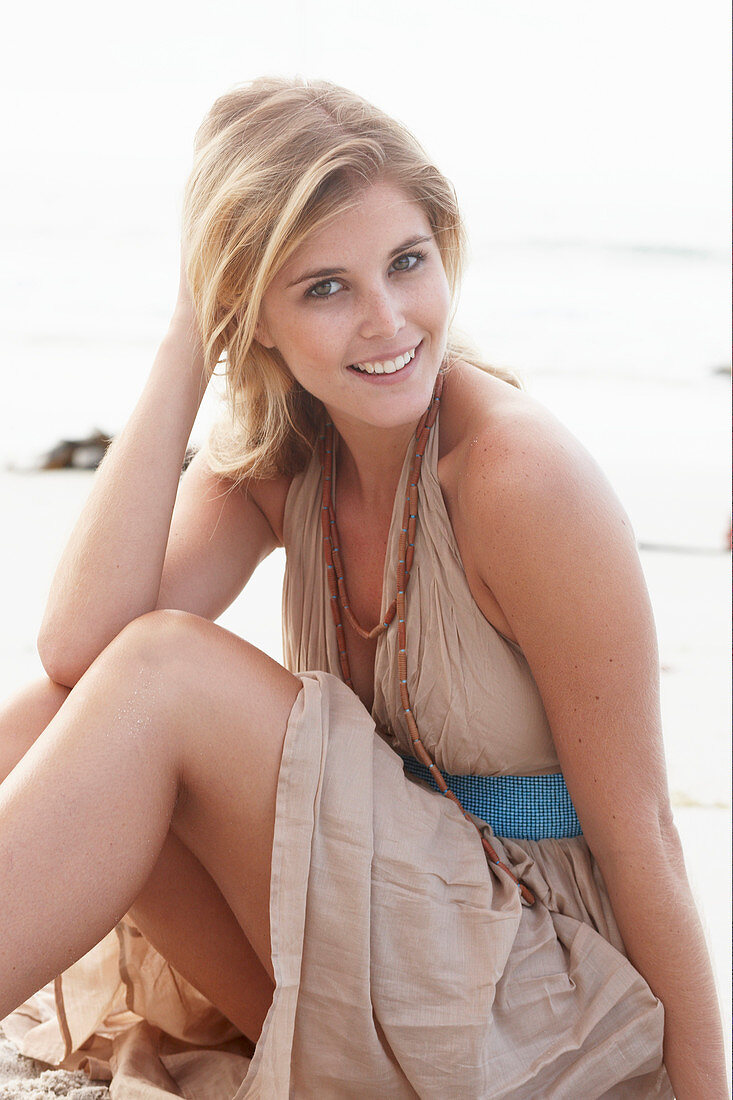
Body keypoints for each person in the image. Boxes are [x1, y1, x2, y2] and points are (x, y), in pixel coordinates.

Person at [0, 76, 727, 1099]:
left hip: (532, 1001)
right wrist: (179, 341)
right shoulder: (284, 450)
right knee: (50, 716)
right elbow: (79, 650)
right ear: (249, 318)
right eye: (324, 287)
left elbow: (641, 825)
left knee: (162, 670)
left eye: (405, 263)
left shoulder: (517, 477)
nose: (388, 322)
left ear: (445, 250)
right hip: (369, 961)